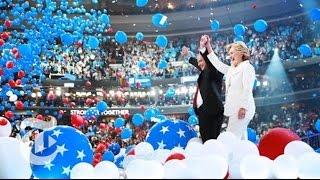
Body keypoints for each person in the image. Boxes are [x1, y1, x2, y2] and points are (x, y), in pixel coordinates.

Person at [202, 35, 256, 140]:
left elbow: (247, 89)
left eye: (232, 53)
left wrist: (243, 107)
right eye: (229, 54)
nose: (230, 56)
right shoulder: (232, 69)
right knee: (241, 139)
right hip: (235, 109)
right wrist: (208, 46)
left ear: (240, 53)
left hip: (242, 109)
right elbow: (217, 64)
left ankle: (230, 156)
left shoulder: (247, 67)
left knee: (231, 137)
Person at [181, 37, 224, 142]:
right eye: (199, 61)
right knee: (205, 141)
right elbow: (199, 63)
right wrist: (188, 56)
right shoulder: (205, 72)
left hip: (212, 111)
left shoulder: (214, 71)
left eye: (201, 61)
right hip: (203, 112)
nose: (199, 64)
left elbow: (209, 62)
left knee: (211, 142)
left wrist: (203, 47)